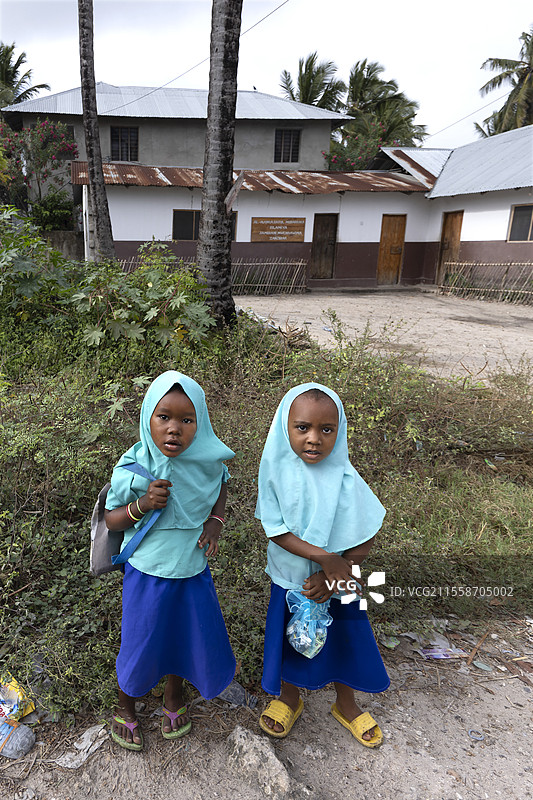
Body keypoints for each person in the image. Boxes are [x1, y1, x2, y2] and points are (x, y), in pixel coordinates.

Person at [104, 370, 235, 751]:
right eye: (164, 417)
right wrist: (141, 505)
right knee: (140, 640)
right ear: (148, 418)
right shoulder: (134, 464)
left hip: (192, 569)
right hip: (148, 574)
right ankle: (126, 705)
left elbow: (221, 487)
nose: (174, 429)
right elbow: (111, 518)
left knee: (182, 636)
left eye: (186, 420)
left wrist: (215, 522)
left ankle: (172, 696)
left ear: (201, 423)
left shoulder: (209, 460)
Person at [256, 383, 389, 746]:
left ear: (339, 430)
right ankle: (289, 698)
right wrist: (323, 558)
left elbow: (367, 531)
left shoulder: (344, 475)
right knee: (288, 638)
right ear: (285, 427)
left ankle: (346, 703)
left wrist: (339, 572)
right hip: (290, 580)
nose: (314, 439)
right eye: (303, 428)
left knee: (346, 638)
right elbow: (275, 530)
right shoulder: (274, 471)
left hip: (339, 582)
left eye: (326, 429)